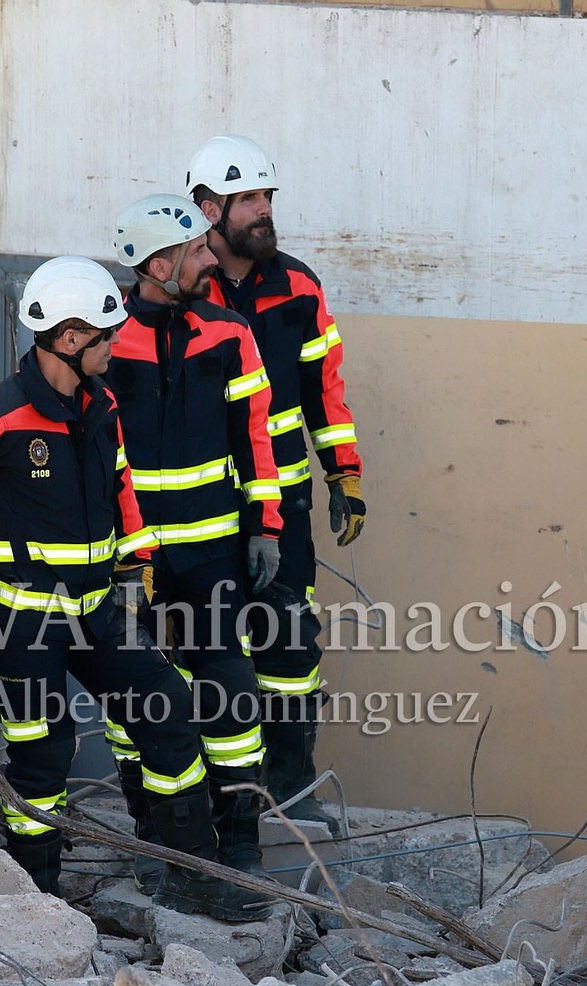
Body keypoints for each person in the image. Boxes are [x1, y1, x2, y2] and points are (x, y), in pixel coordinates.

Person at [0, 256, 273, 921]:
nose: (115, 342)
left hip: (100, 610)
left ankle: (190, 872)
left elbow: (123, 488)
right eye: (105, 334)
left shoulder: (101, 404)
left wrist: (136, 567)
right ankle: (36, 901)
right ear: (69, 338)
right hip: (26, 621)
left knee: (167, 707)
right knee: (43, 755)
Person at [186, 134, 365, 830]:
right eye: (250, 200)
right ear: (209, 209)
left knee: (289, 643)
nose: (265, 211)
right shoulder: (185, 292)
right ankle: (211, 795)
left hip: (284, 504)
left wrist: (343, 475)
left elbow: (326, 391)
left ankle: (289, 785)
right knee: (203, 644)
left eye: (268, 197)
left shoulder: (298, 286)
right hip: (201, 512)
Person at [107, 193, 284, 885]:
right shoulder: (107, 337)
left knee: (232, 691)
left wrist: (266, 527)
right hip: (133, 560)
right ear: (160, 264)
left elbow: (258, 438)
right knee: (138, 703)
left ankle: (239, 836)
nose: (213, 259)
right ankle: (156, 830)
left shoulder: (230, 332)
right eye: (199, 252)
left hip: (214, 555)